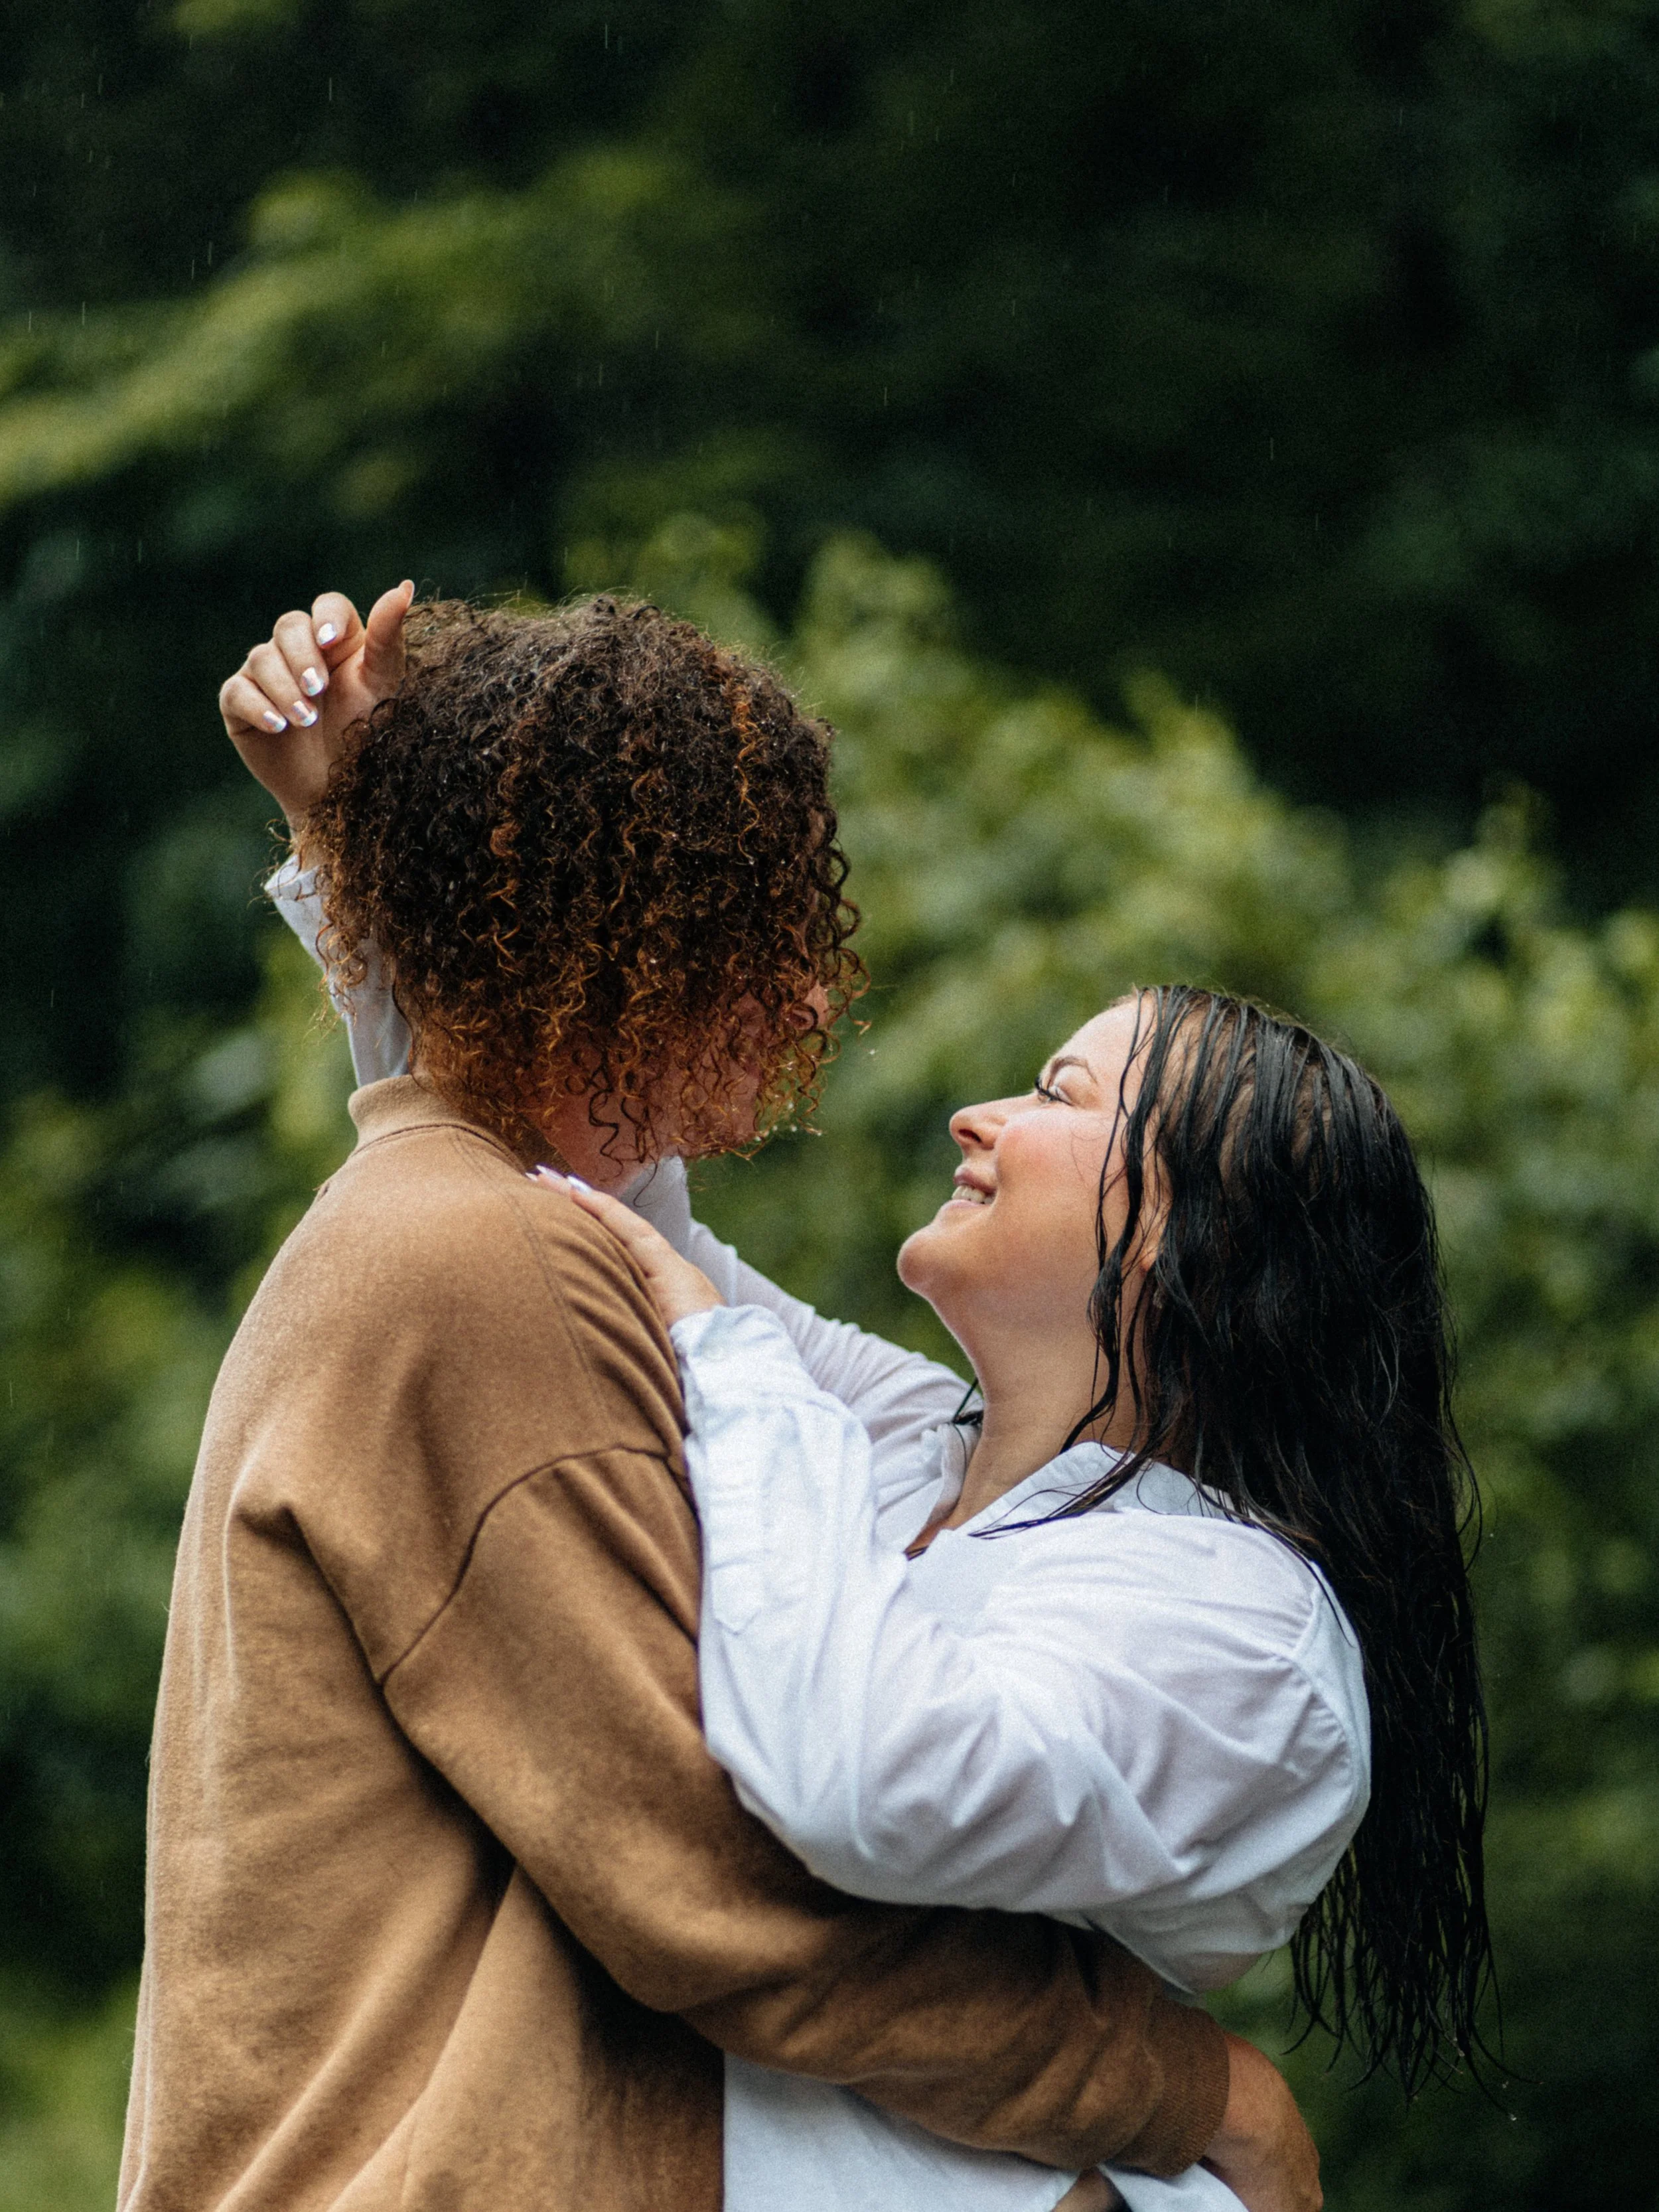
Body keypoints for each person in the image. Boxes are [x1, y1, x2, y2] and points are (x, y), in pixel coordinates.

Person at [119, 588, 1321, 2212]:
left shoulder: (476, 1227)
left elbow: (647, 1229)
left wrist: (368, 851)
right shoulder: (485, 1261)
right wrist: (1191, 2090)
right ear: (638, 935)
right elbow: (706, 1886)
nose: (818, 1000)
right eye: (765, 927)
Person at [549, 986, 1494, 2211]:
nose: (971, 1117)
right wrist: (338, 839)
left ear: (1183, 1224)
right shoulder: (908, 1442)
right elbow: (604, 1197)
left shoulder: (1251, 1631)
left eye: (1057, 1093)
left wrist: (737, 1368)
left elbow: (867, 1783)